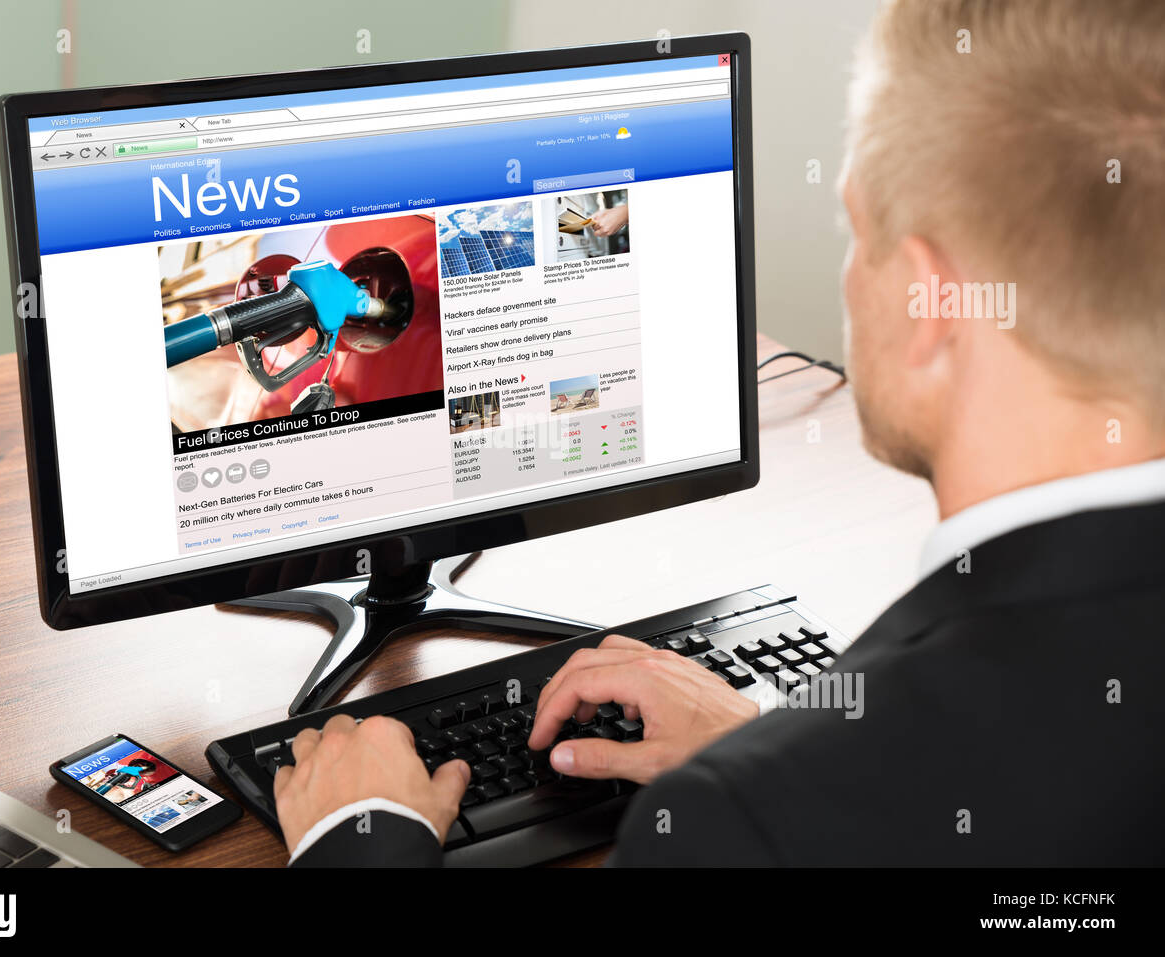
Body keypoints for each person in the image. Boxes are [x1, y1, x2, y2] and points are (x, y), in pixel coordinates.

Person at [274, 0, 1165, 866]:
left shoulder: (739, 824)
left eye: (858, 231)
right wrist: (773, 739)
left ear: (931, 302)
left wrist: (363, 842)